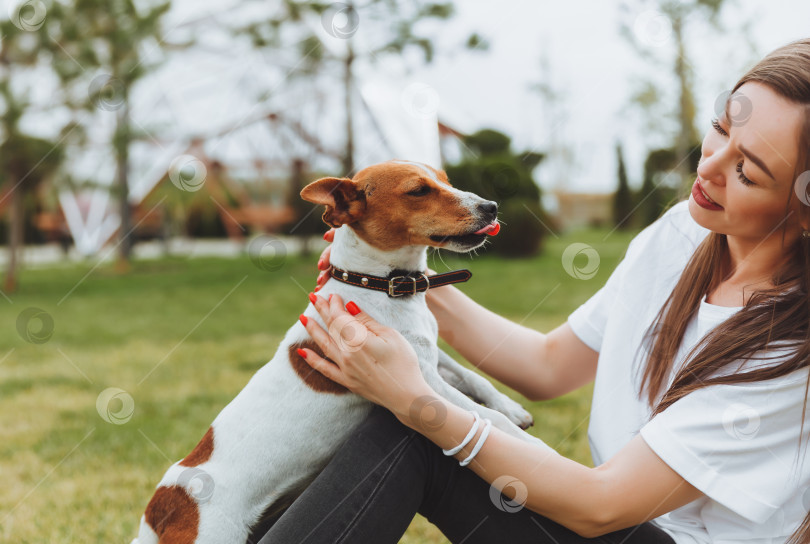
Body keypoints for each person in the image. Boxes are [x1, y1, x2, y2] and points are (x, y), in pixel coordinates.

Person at [257, 38, 810, 544]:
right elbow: (549, 366)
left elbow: (602, 505)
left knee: (416, 426)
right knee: (411, 429)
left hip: (620, 523)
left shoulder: (792, 347)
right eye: (720, 129)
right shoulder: (682, 235)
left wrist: (414, 401)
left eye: (748, 171)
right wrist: (392, 273)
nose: (708, 166)